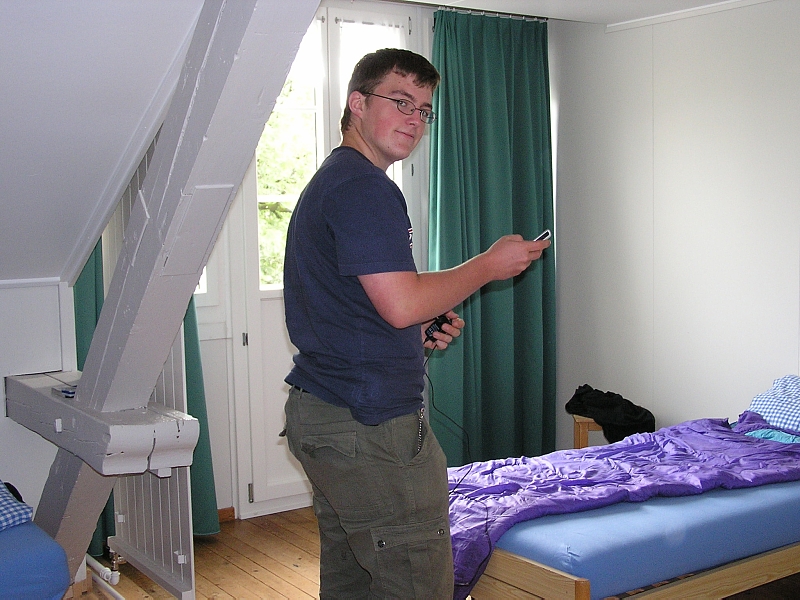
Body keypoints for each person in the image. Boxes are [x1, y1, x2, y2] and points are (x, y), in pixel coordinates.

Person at [282, 48, 550, 599]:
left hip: (328, 412)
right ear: (358, 104)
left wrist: (415, 328)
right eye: (401, 102)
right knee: (415, 581)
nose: (415, 120)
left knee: (354, 582)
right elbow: (401, 303)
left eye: (424, 110)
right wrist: (487, 265)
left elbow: (367, 303)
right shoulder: (363, 187)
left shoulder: (336, 180)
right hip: (369, 426)